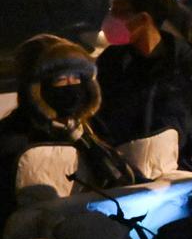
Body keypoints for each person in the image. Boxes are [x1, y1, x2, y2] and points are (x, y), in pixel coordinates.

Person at [93, 0, 192, 169]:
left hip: (179, 178)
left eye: (120, 12)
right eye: (111, 11)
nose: (111, 18)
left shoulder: (191, 66)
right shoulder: (111, 63)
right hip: (125, 180)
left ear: (143, 19)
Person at [0, 35, 134, 227]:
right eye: (61, 80)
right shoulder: (12, 140)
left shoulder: (91, 131)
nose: (72, 87)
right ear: (36, 89)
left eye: (77, 78)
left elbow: (125, 181)